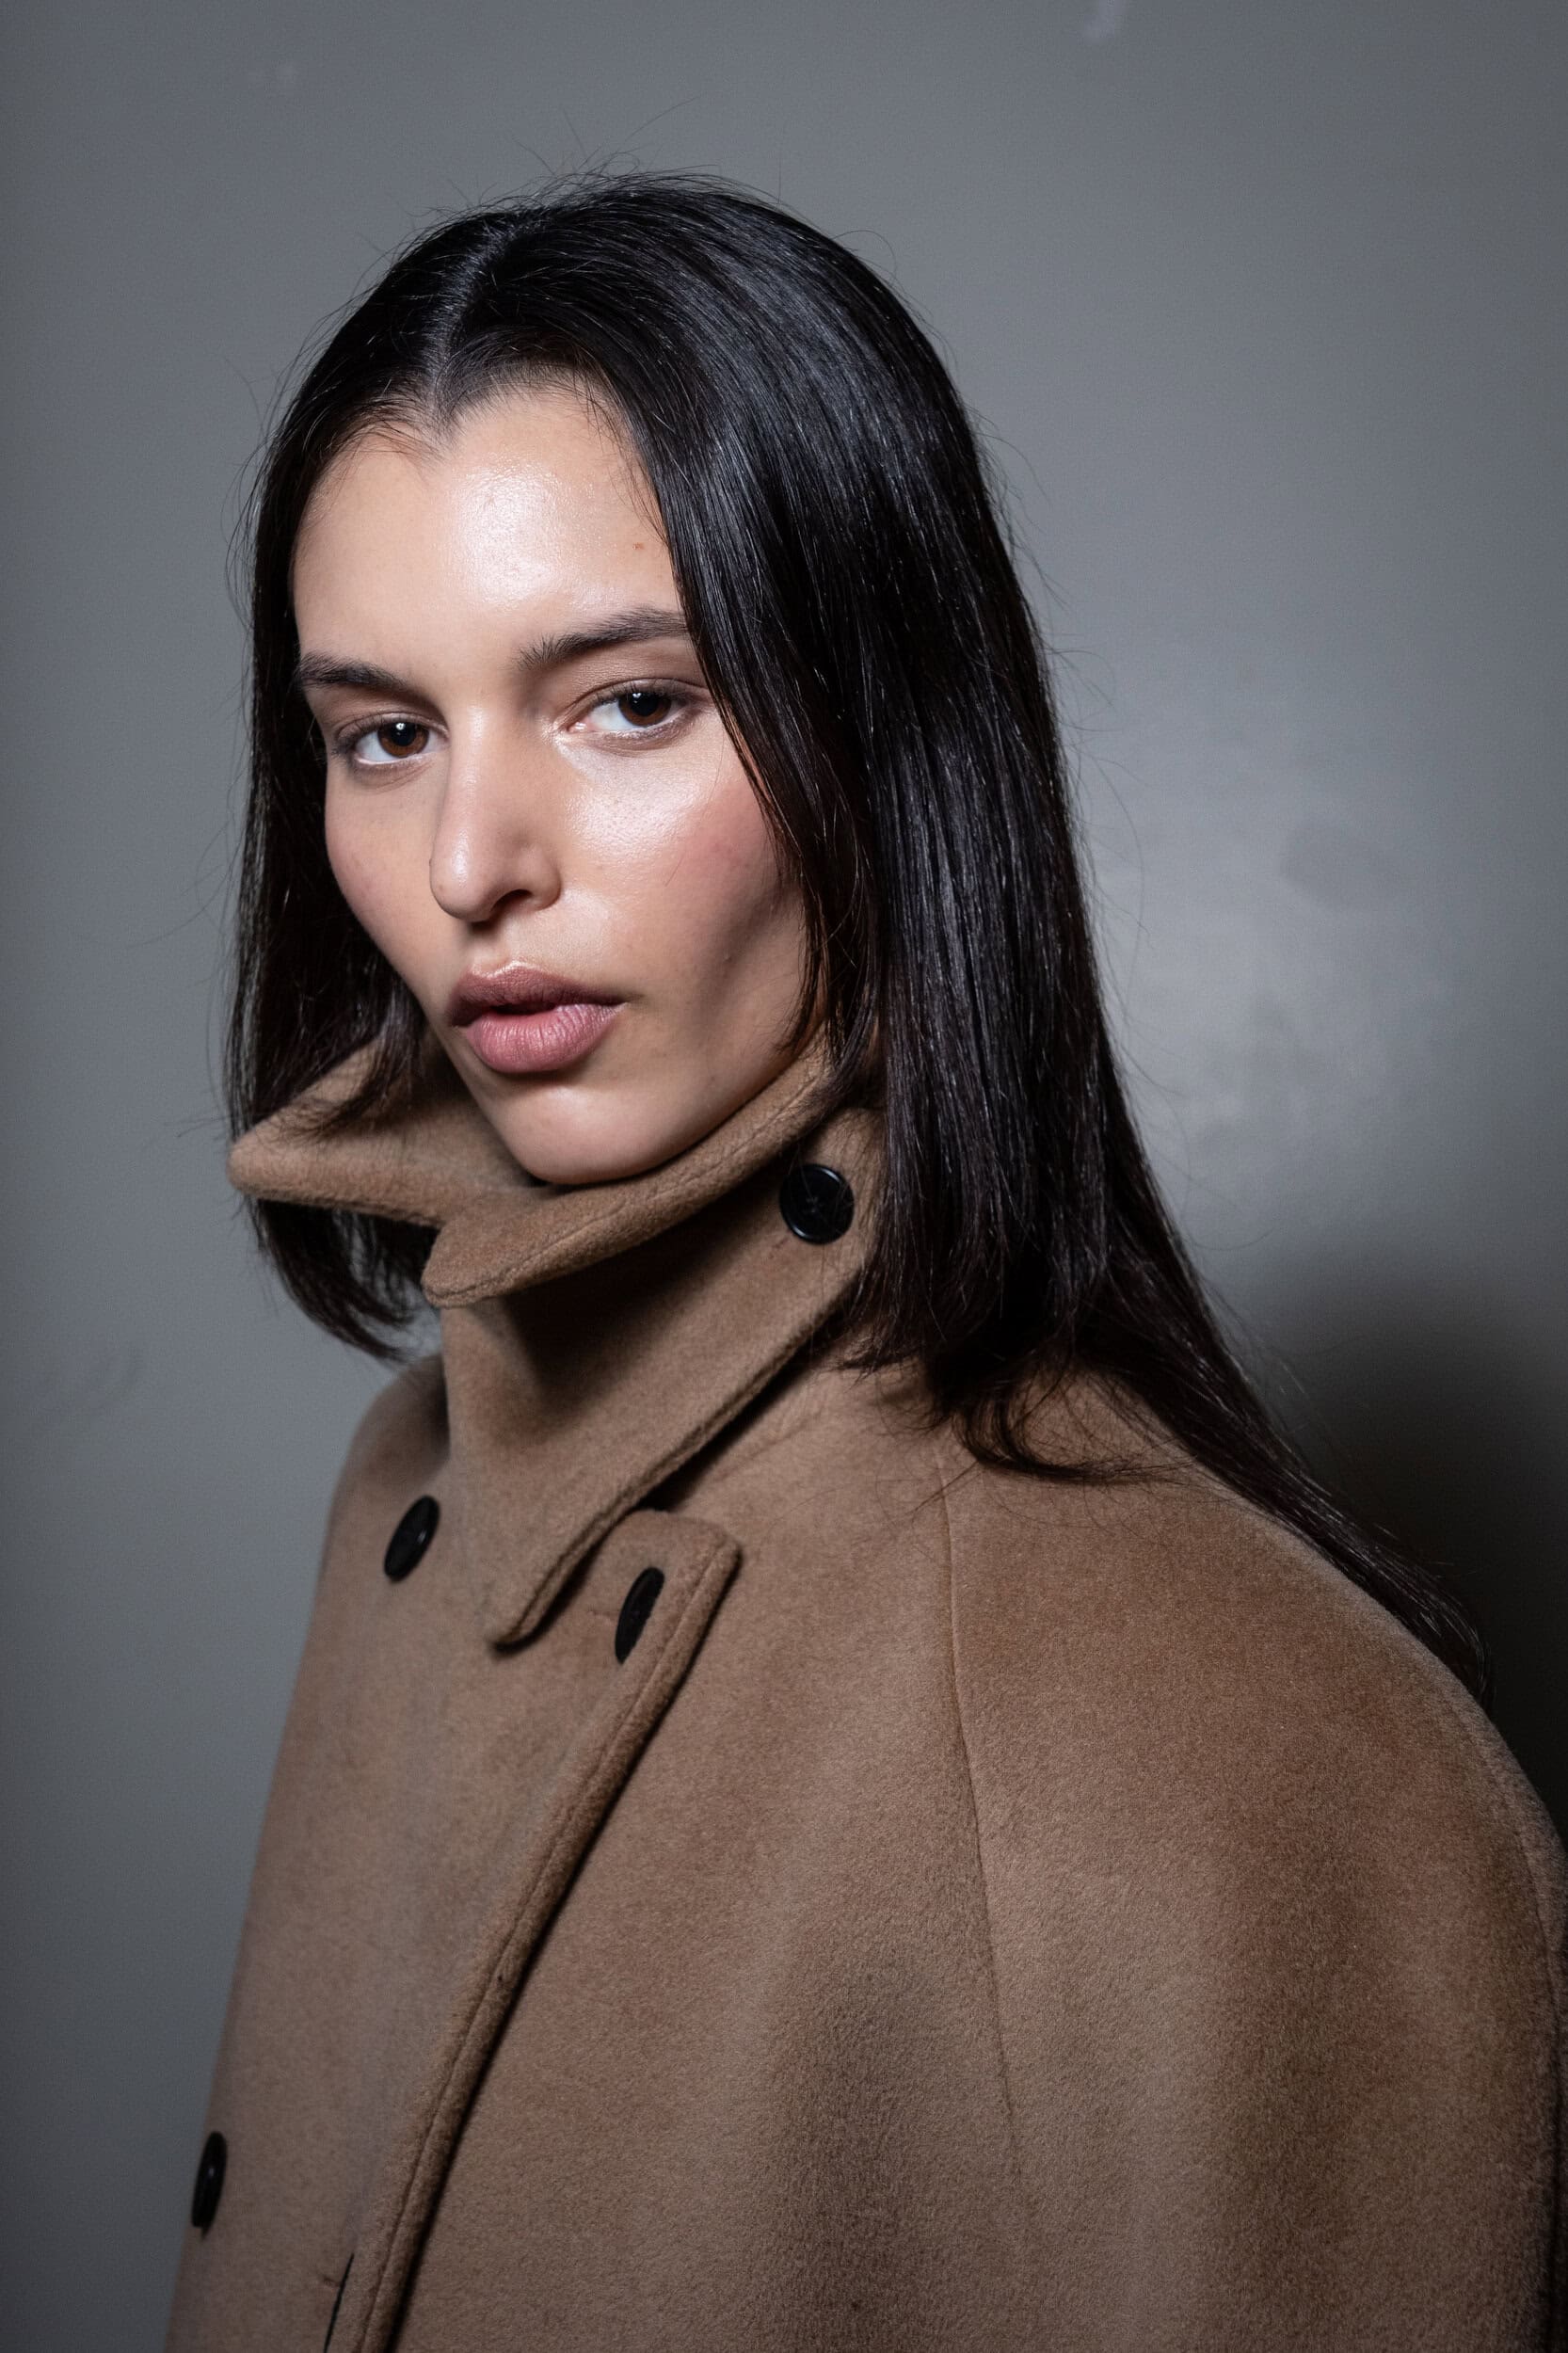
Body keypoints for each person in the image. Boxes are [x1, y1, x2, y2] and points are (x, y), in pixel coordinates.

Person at [165, 173, 1566, 2352]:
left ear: (887, 737)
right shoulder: (404, 1499)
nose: (467, 862)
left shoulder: (1248, 1748)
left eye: (628, 701)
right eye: (384, 732)